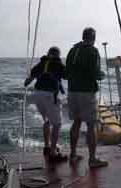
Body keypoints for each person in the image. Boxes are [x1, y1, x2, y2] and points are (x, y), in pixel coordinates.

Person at [66, 27, 108, 168]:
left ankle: (73, 154)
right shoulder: (93, 51)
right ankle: (92, 159)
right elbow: (96, 73)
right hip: (87, 92)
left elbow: (67, 72)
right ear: (93, 38)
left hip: (72, 91)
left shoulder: (72, 50)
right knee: (91, 125)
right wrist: (102, 75)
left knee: (76, 122)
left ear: (83, 36)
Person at [24, 46, 67, 162]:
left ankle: (47, 147)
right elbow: (67, 76)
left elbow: (28, 81)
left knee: (47, 121)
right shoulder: (58, 65)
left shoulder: (40, 64)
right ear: (58, 55)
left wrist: (27, 80)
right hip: (50, 96)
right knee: (57, 125)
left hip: (37, 95)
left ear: (48, 54)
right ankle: (53, 153)